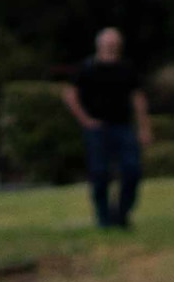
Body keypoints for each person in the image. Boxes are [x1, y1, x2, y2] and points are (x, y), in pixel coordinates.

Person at [61, 27, 149, 232]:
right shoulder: (87, 68)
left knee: (132, 170)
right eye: (107, 42)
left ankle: (121, 214)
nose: (111, 46)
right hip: (97, 129)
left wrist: (144, 127)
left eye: (114, 42)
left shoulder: (127, 68)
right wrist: (85, 120)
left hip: (123, 127)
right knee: (99, 173)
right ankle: (104, 218)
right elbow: (70, 95)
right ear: (99, 44)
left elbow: (138, 98)